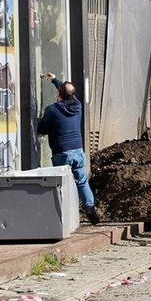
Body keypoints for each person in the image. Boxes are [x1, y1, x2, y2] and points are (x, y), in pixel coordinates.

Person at [38, 73, 101, 225]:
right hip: (78, 151)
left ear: (59, 94)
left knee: (62, 184)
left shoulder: (52, 110)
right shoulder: (78, 106)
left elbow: (42, 129)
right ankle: (90, 209)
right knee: (82, 182)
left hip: (62, 153)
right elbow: (68, 92)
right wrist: (54, 80)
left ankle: (64, 216)